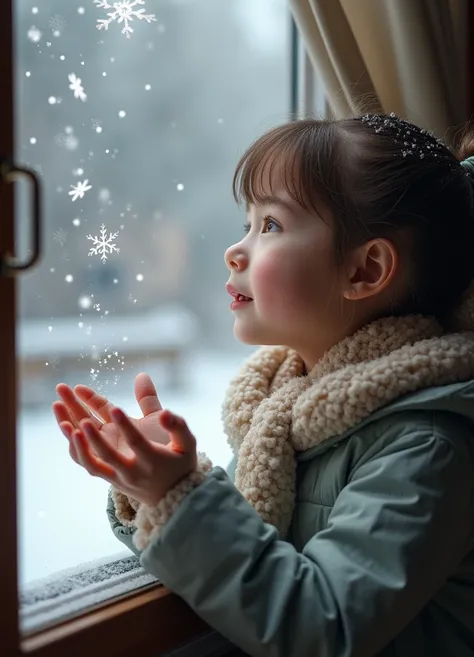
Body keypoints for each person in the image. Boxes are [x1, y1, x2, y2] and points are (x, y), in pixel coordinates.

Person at [53, 113, 474, 657]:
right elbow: (239, 555)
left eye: (270, 225)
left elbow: (325, 629)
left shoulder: (427, 444)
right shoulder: (288, 409)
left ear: (365, 271)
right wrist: (153, 485)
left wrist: (177, 499)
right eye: (247, 223)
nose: (236, 249)